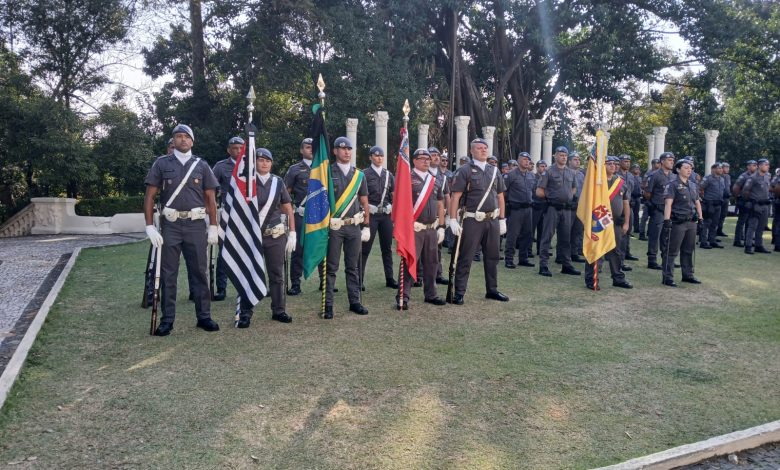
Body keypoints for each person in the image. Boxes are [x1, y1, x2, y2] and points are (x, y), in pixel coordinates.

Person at [143, 124, 220, 336]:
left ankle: (203, 316)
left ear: (192, 141)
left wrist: (213, 225)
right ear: (173, 141)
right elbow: (150, 196)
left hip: (196, 225)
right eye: (178, 136)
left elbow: (210, 199)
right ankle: (167, 320)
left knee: (199, 273)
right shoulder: (161, 164)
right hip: (171, 226)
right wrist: (149, 226)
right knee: (168, 274)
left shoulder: (202, 165)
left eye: (187, 137)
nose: (183, 140)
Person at [235, 148, 297, 327]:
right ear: (255, 162)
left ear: (271, 163)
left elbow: (287, 207)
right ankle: (245, 313)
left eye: (267, 160)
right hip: (252, 235)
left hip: (275, 235)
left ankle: (278, 310)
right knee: (249, 273)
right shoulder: (247, 182)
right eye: (260, 160)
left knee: (277, 274)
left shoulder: (278, 182)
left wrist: (292, 232)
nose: (264, 163)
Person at [448, 138, 508, 304]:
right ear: (471, 151)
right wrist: (452, 219)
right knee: (466, 256)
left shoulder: (494, 171)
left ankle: (492, 289)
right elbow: (456, 197)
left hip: (492, 219)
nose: (483, 150)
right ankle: (459, 292)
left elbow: (500, 197)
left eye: (485, 148)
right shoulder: (464, 170)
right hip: (473, 219)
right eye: (479, 148)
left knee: (493, 256)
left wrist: (502, 219)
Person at [324, 137, 370, 319]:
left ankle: (355, 301)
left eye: (349, 149)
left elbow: (364, 201)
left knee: (353, 266)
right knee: (332, 267)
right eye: (342, 149)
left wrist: (366, 225)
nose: (346, 152)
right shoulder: (327, 172)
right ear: (335, 151)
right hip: (334, 227)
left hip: (354, 227)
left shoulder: (359, 175)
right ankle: (328, 304)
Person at [396, 149, 447, 309]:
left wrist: (442, 226)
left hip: (431, 228)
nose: (426, 161)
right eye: (422, 158)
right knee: (408, 260)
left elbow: (440, 204)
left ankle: (431, 294)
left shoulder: (435, 180)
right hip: (414, 228)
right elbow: (401, 203)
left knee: (432, 262)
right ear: (414, 161)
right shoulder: (407, 179)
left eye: (428, 158)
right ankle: (403, 296)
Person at [584, 156, 632, 290]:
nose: (612, 166)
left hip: (616, 223)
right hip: (599, 221)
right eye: (609, 163)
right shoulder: (597, 182)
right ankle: (591, 279)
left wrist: (626, 222)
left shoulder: (620, 183)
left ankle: (618, 278)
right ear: (603, 166)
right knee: (596, 250)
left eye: (615, 164)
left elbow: (626, 204)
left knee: (615, 251)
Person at [536, 146, 580, 277]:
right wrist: (552, 198)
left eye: (565, 155)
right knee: (547, 237)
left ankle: (566, 265)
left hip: (566, 210)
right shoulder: (548, 171)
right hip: (552, 209)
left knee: (566, 238)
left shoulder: (571, 172)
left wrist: (568, 197)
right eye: (561, 155)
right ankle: (543, 265)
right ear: (555, 156)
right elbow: (539, 191)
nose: (564, 157)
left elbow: (573, 189)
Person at [210, 136, 244, 300]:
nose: (237, 151)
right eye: (234, 148)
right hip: (228, 213)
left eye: (240, 148)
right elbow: (211, 190)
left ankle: (247, 285)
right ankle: (221, 289)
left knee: (247, 250)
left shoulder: (252, 166)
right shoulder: (220, 166)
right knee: (224, 252)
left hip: (246, 214)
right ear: (228, 150)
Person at [661, 159, 703, 287]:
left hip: (691, 221)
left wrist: (701, 218)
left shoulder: (693, 185)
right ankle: (667, 277)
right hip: (677, 222)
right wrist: (667, 220)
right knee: (672, 250)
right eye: (686, 167)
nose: (689, 170)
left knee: (688, 250)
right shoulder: (672, 185)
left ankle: (688, 275)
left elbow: (697, 202)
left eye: (690, 168)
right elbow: (668, 204)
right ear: (678, 169)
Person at [361, 146, 397, 289]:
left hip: (386, 216)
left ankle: (389, 278)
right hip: (371, 215)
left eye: (381, 156)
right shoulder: (364, 174)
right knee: (365, 248)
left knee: (387, 248)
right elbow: (360, 196)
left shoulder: (388, 175)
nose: (379, 158)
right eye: (376, 156)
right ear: (370, 157)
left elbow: (394, 195)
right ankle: (359, 280)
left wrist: (392, 207)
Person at [503, 151, 535, 268]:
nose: (527, 162)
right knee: (513, 235)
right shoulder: (510, 175)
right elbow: (504, 192)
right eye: (524, 159)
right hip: (515, 209)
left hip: (528, 209)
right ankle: (509, 259)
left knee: (527, 234)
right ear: (518, 160)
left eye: (528, 160)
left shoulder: (531, 175)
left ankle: (523, 258)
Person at [645, 152, 676, 270]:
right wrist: (652, 204)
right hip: (658, 208)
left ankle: (666, 258)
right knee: (655, 235)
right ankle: (652, 259)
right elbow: (648, 193)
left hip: (669, 210)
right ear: (662, 161)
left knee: (667, 235)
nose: (672, 162)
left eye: (673, 160)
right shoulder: (655, 175)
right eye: (669, 160)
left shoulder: (673, 176)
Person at [428, 147, 451, 284]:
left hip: (438, 218)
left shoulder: (442, 177)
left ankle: (438, 274)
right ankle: (418, 276)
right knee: (422, 246)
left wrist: (447, 215)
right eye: (433, 155)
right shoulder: (421, 174)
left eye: (437, 155)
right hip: (423, 217)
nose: (436, 157)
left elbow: (447, 195)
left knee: (438, 247)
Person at [742, 158, 773, 254]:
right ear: (759, 166)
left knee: (761, 226)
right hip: (755, 205)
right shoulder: (753, 177)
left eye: (768, 165)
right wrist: (750, 201)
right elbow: (745, 191)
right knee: (752, 226)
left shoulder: (767, 176)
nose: (767, 166)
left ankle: (759, 245)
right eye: (765, 164)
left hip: (765, 205)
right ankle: (748, 246)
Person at [616, 154, 638, 266]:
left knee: (628, 230)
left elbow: (632, 190)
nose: (627, 163)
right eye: (625, 161)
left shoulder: (631, 176)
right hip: (618, 206)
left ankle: (625, 254)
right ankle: (618, 257)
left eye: (629, 161)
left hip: (628, 205)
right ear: (620, 162)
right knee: (618, 233)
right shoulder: (615, 175)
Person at [699, 162, 725, 249]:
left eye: (721, 168)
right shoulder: (708, 178)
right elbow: (700, 188)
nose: (721, 170)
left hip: (718, 204)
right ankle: (703, 242)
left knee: (715, 223)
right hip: (709, 204)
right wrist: (705, 199)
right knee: (706, 223)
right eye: (719, 168)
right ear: (713, 169)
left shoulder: (722, 179)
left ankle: (712, 240)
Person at [732, 160, 758, 247]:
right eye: (753, 165)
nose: (755, 167)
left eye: (756, 165)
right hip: (744, 201)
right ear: (748, 166)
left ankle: (748, 240)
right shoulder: (743, 176)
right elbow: (736, 187)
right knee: (741, 221)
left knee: (749, 222)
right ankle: (737, 240)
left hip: (752, 201)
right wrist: (738, 197)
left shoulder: (756, 176)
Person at [567, 151, 585, 263]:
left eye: (578, 159)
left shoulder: (581, 175)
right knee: (566, 231)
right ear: (569, 161)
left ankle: (574, 253)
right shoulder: (566, 172)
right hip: (568, 206)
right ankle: (563, 255)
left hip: (579, 206)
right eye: (575, 159)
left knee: (577, 231)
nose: (577, 161)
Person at [638, 158, 661, 240]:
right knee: (645, 217)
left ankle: (650, 233)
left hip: (656, 199)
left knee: (654, 218)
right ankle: (642, 233)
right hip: (648, 198)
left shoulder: (660, 173)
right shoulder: (648, 173)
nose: (658, 165)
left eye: (659, 163)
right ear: (653, 164)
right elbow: (643, 185)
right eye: (657, 163)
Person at [531, 160, 548, 258]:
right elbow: (532, 190)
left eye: (545, 166)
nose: (544, 168)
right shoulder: (533, 177)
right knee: (531, 229)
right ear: (537, 168)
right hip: (535, 206)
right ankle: (528, 250)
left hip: (544, 206)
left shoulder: (547, 178)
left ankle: (540, 250)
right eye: (542, 166)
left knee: (543, 230)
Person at [717, 162, 732, 237]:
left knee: (723, 215)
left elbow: (728, 187)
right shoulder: (719, 176)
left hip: (726, 198)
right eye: (726, 167)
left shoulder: (728, 176)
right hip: (720, 198)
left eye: (728, 167)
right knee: (717, 215)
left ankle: (720, 230)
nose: (727, 169)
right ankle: (715, 230)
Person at [630, 164, 642, 232]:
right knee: (631, 214)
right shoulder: (630, 177)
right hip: (631, 197)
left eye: (638, 168)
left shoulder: (639, 178)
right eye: (635, 168)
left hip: (638, 197)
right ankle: (630, 229)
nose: (637, 169)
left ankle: (636, 229)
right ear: (632, 169)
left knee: (636, 214)